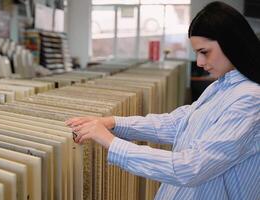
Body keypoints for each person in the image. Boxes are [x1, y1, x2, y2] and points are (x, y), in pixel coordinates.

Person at [65, 2, 260, 200]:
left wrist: (110, 142)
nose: (200, 62)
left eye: (204, 52)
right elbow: (177, 123)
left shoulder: (251, 100)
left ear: (231, 42)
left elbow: (191, 167)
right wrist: (113, 122)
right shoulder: (220, 87)